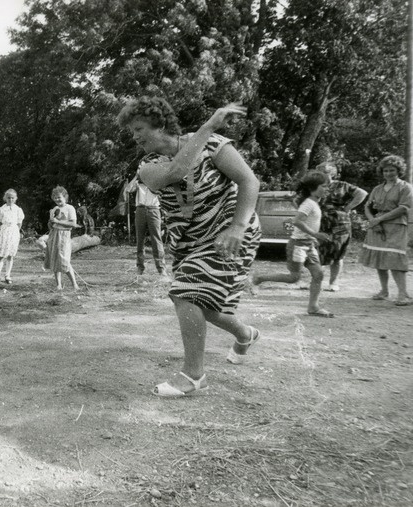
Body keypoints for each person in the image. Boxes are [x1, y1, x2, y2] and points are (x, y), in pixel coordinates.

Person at [117, 97, 262, 397]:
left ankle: (194, 375)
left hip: (230, 231)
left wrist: (238, 226)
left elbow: (250, 182)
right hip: (189, 241)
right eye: (132, 131)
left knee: (186, 293)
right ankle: (244, 333)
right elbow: (175, 173)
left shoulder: (216, 146)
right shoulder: (147, 167)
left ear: (160, 125)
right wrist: (208, 125)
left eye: (139, 128)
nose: (135, 136)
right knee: (203, 306)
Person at [252, 171, 334, 317]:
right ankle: (260, 278)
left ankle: (313, 307)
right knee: (294, 277)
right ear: (313, 188)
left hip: (308, 245)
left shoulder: (314, 202)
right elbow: (297, 221)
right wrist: (315, 234)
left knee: (318, 274)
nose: (327, 189)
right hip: (298, 246)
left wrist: (312, 238)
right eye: (324, 186)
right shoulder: (309, 204)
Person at [359, 155, 413, 306]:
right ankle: (384, 291)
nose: (388, 173)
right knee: (380, 258)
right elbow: (367, 207)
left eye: (392, 170)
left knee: (395, 259)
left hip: (396, 226)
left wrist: (379, 219)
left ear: (399, 171)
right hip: (376, 228)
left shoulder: (405, 187)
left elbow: (404, 208)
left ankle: (404, 294)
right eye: (385, 171)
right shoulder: (377, 189)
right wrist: (372, 221)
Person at [316, 162, 368, 291]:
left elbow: (362, 193)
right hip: (320, 223)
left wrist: (349, 207)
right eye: (319, 172)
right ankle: (316, 281)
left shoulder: (342, 185)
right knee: (318, 252)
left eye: (325, 172)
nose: (322, 175)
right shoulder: (315, 187)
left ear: (332, 173)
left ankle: (333, 282)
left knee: (338, 253)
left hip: (340, 223)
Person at [124, 173, 169, 280]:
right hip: (140, 210)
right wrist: (136, 176)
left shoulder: (157, 182)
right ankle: (140, 267)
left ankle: (161, 268)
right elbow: (128, 189)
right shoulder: (138, 183)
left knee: (157, 239)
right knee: (140, 240)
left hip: (154, 209)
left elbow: (164, 192)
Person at [44, 186, 80, 290]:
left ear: (65, 197)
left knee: (64, 259)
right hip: (54, 234)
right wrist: (50, 223)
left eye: (59, 197)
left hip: (64, 235)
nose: (57, 199)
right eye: (55, 197)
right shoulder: (55, 209)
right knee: (54, 258)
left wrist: (58, 221)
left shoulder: (70, 208)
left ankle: (74, 284)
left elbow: (73, 223)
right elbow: (51, 225)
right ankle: (58, 285)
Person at [0, 189, 25, 284]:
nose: (10, 200)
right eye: (8, 198)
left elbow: (19, 222)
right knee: (1, 254)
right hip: (4, 232)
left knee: (10, 255)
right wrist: (3, 227)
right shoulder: (2, 209)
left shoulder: (18, 209)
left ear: (15, 199)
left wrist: (15, 229)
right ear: (5, 198)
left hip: (14, 232)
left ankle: (7, 275)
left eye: (12, 198)